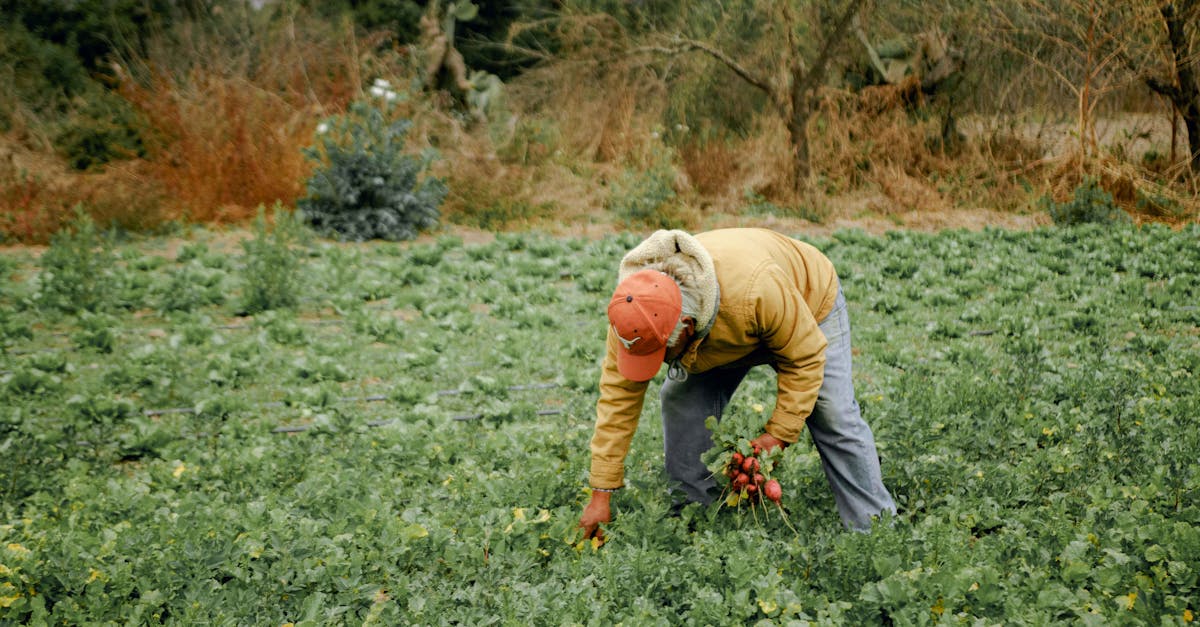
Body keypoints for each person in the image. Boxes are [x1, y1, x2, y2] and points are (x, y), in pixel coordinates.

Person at [578, 228, 896, 539]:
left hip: (806, 302)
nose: (658, 362)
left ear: (686, 327)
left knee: (832, 413)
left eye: (661, 353)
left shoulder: (756, 289)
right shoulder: (634, 317)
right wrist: (601, 493)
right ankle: (693, 517)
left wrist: (778, 435)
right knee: (681, 401)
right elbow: (618, 400)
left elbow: (805, 358)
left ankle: (874, 528)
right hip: (725, 327)